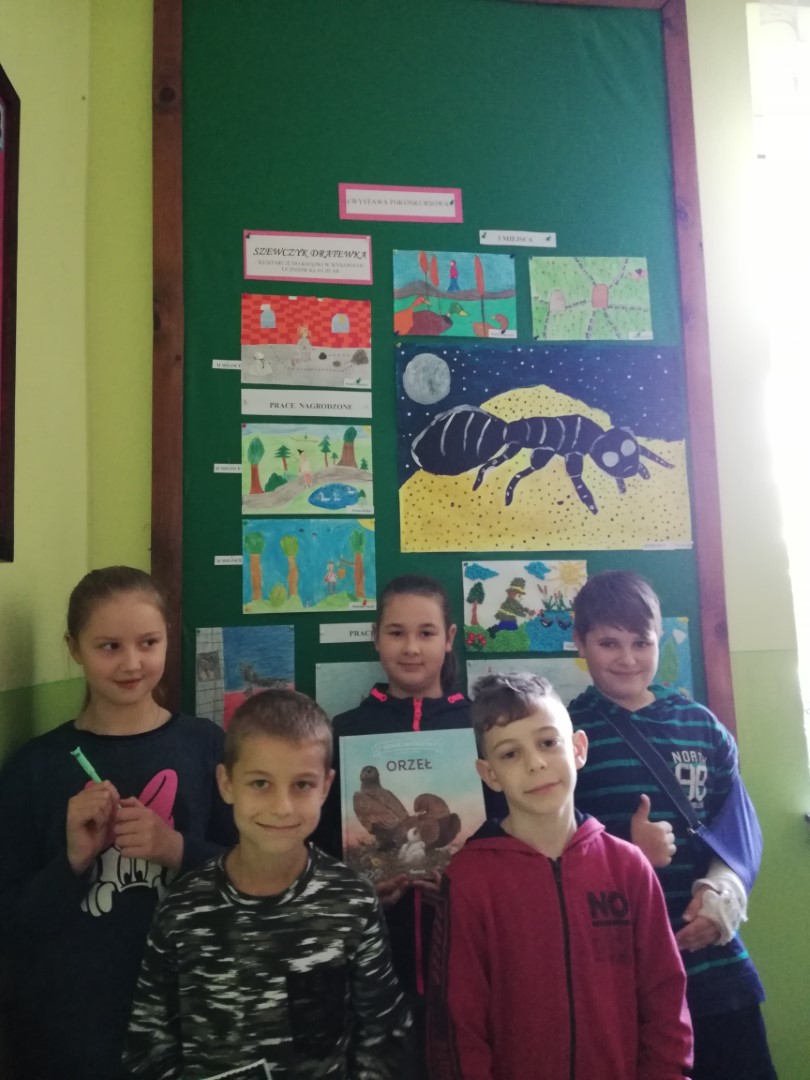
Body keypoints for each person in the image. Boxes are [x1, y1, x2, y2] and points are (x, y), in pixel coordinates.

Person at [0, 566, 235, 1079]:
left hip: (192, 1019)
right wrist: (72, 862)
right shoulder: (34, 767)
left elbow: (256, 877)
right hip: (72, 1034)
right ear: (73, 648)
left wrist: (176, 848)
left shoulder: (207, 747)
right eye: (109, 647)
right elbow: (13, 923)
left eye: (148, 643)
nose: (132, 663)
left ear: (168, 637)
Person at [122, 688, 412, 1078]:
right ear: (226, 783)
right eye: (260, 783)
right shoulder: (182, 910)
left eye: (302, 785)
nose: (281, 807)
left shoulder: (352, 903)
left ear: (326, 787)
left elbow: (385, 1036)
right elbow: (148, 1051)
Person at [427, 672, 692, 1080]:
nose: (535, 763)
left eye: (548, 742)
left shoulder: (628, 867)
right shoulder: (470, 879)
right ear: (489, 774)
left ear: (578, 748)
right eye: (510, 754)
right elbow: (458, 1021)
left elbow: (665, 998)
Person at [569, 570, 776, 1080]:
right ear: (580, 642)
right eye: (609, 643)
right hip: (623, 970)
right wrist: (627, 849)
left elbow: (737, 828)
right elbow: (554, 845)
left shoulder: (701, 725)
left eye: (642, 642)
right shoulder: (565, 731)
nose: (627, 658)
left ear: (659, 639)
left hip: (714, 962)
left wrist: (723, 892)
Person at [314, 574, 504, 1074]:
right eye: (396, 632)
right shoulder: (345, 730)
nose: (412, 648)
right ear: (376, 638)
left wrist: (466, 889)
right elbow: (323, 847)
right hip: (375, 959)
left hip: (469, 956)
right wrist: (360, 893)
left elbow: (505, 835)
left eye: (426, 632)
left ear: (450, 638)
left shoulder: (482, 728)